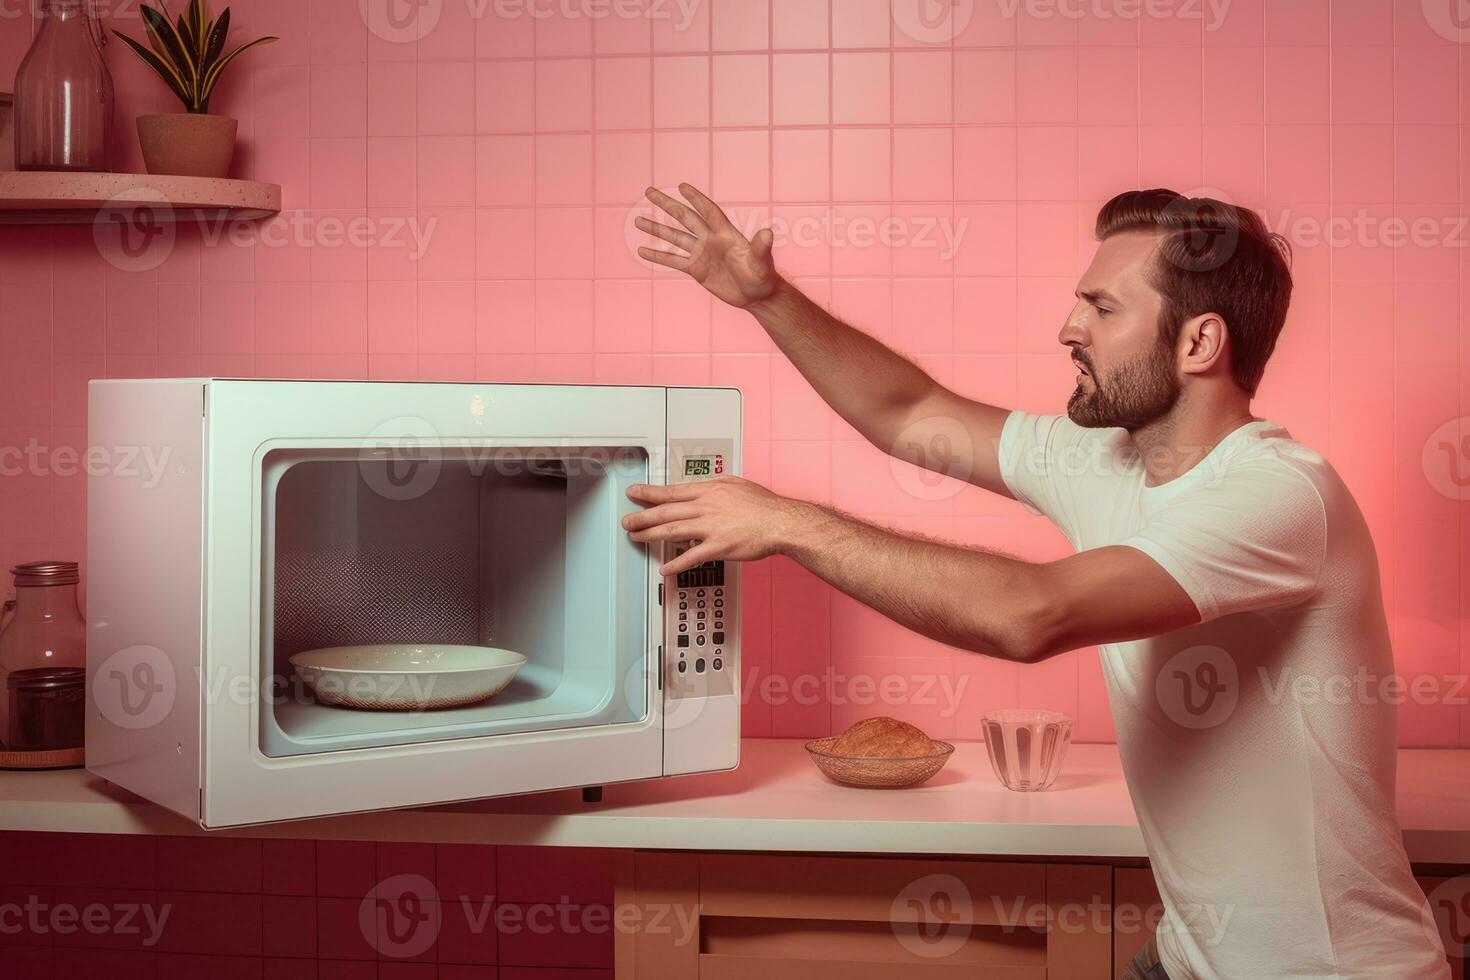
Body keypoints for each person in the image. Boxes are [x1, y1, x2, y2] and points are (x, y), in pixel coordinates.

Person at [623, 183, 1451, 979]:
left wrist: (790, 522)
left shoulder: (1280, 495)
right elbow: (911, 412)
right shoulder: (1108, 457)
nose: (1068, 328)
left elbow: (1030, 615)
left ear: (1199, 343)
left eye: (1102, 307)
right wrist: (769, 298)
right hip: (1188, 960)